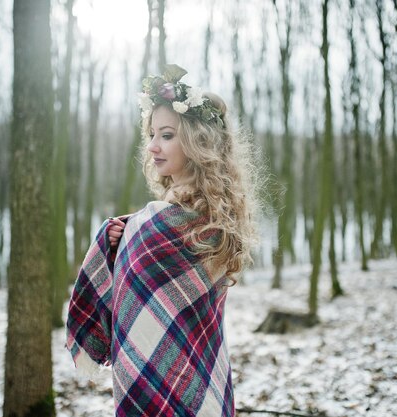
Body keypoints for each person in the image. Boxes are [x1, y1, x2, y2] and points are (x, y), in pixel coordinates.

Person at [66, 64, 259, 417]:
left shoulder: (208, 222)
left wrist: (128, 237)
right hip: (147, 376)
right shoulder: (152, 222)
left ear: (198, 141)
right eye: (151, 134)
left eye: (166, 135)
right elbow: (135, 292)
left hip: (198, 371)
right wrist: (117, 243)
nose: (153, 146)